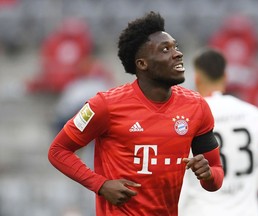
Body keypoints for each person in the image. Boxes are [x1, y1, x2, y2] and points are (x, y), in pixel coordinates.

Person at [48, 12, 224, 216]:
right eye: (165, 49)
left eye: (176, 47)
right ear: (142, 64)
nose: (177, 53)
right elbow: (58, 151)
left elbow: (216, 177)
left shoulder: (196, 107)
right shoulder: (105, 105)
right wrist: (101, 185)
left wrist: (208, 174)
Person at [178, 48, 258, 216]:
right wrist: (244, 189)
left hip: (201, 210)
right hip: (247, 211)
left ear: (197, 79)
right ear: (225, 77)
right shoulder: (254, 115)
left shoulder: (186, 119)